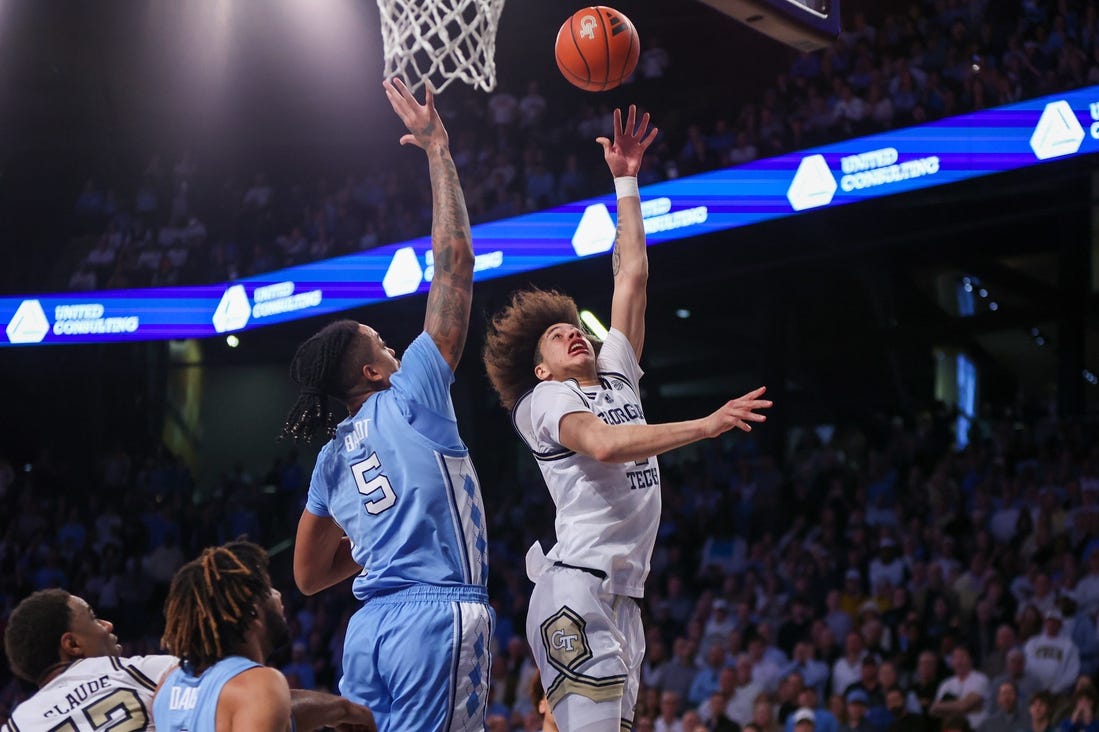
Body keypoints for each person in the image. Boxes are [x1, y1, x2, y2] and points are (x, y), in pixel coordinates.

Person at [483, 104, 772, 732]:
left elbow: (633, 275)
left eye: (572, 327)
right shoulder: (545, 405)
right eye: (556, 339)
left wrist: (626, 181)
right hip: (576, 589)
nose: (571, 335)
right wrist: (706, 425)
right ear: (539, 369)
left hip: (623, 598)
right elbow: (606, 446)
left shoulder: (615, 370)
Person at [282, 78, 490, 732]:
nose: (397, 345)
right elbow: (454, 264)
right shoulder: (411, 392)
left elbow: (310, 574)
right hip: (436, 618)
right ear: (372, 372)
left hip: (368, 630)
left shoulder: (330, 459)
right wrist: (438, 153)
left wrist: (377, 546)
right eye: (383, 342)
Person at [154, 542, 377, 731]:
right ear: (253, 612)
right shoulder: (260, 685)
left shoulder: (168, 684)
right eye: (269, 589)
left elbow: (250, 706)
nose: (279, 595)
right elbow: (258, 696)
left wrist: (341, 709)